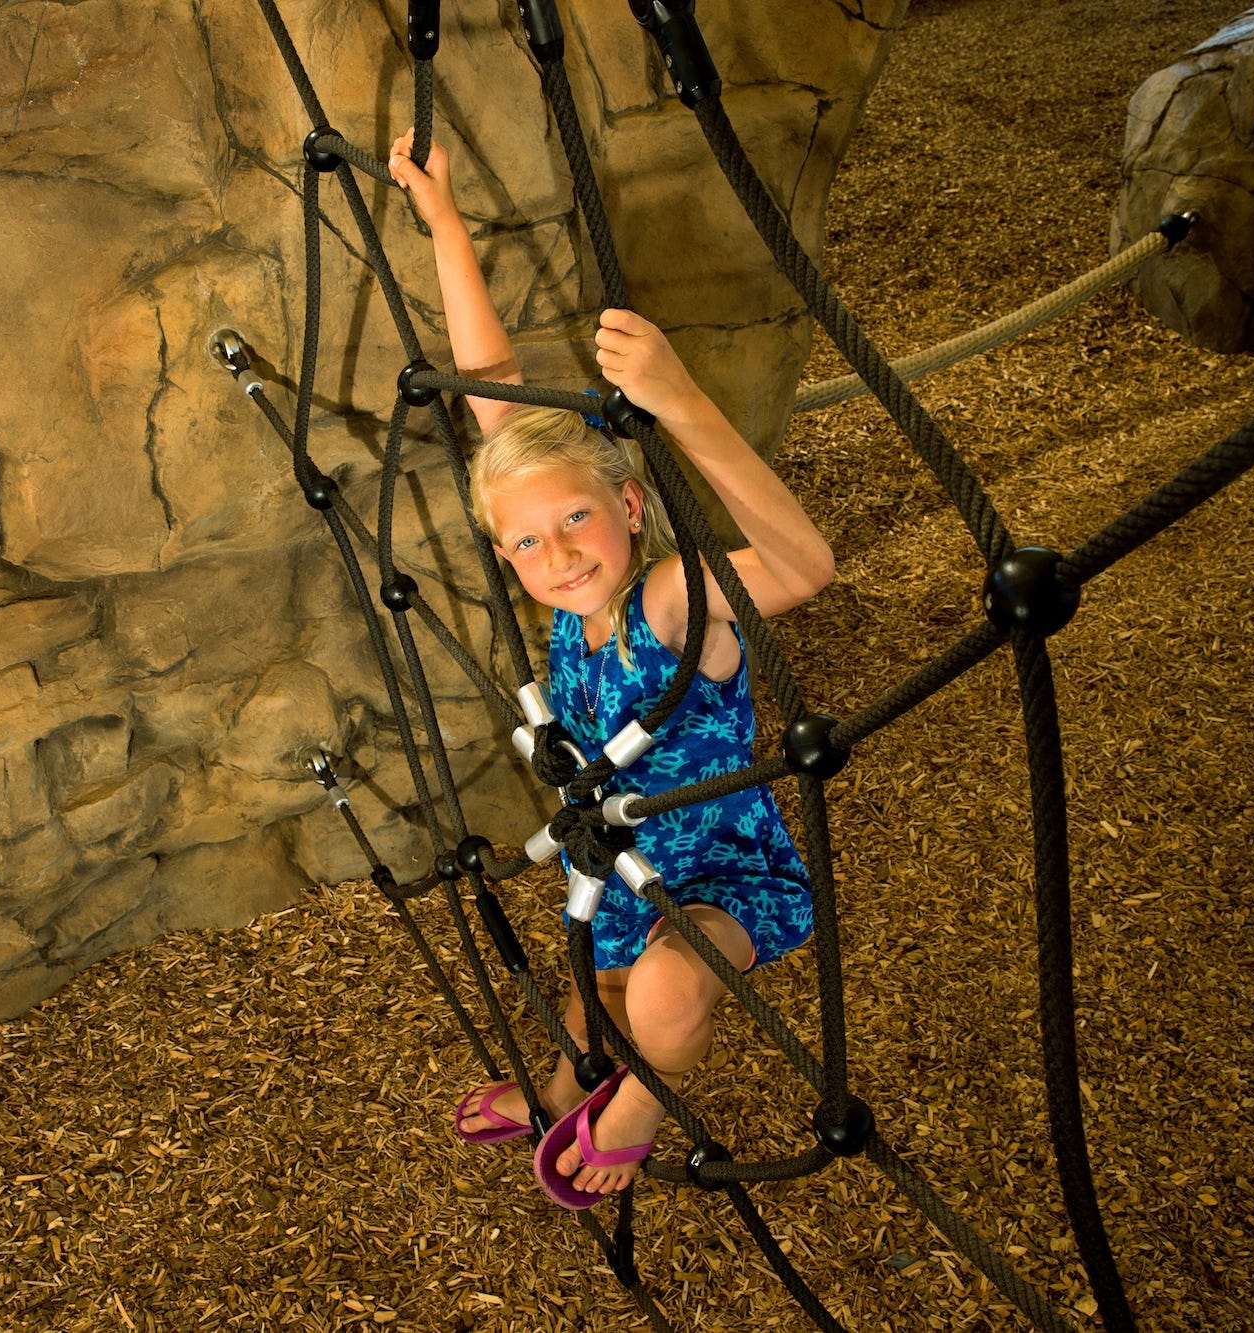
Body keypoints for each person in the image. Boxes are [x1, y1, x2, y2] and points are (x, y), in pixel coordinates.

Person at [388, 130, 835, 1207]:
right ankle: (559, 1097)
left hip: (723, 866)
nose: (557, 554)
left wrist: (677, 401)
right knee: (593, 988)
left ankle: (634, 1113)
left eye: (577, 518)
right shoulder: (560, 582)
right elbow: (490, 396)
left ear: (629, 506)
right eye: (526, 542)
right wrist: (445, 222)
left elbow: (802, 565)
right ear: (502, 552)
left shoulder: (668, 597)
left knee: (669, 989)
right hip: (619, 856)